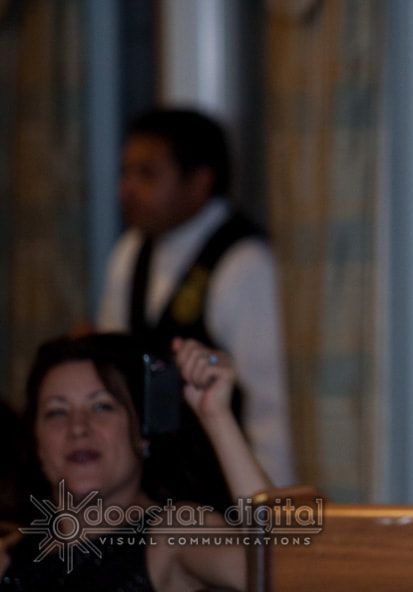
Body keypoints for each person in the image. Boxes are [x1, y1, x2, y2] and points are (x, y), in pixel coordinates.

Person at [97, 108, 294, 492]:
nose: (127, 190)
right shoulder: (130, 252)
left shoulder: (244, 262)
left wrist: (273, 512)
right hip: (153, 487)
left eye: (148, 175)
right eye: (126, 173)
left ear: (200, 182)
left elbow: (268, 408)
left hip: (221, 488)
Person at [0, 333, 270, 591]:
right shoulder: (13, 556)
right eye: (57, 412)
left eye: (101, 406)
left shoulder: (172, 534)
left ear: (142, 434)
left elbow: (284, 572)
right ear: (36, 441)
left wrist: (216, 415)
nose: (78, 428)